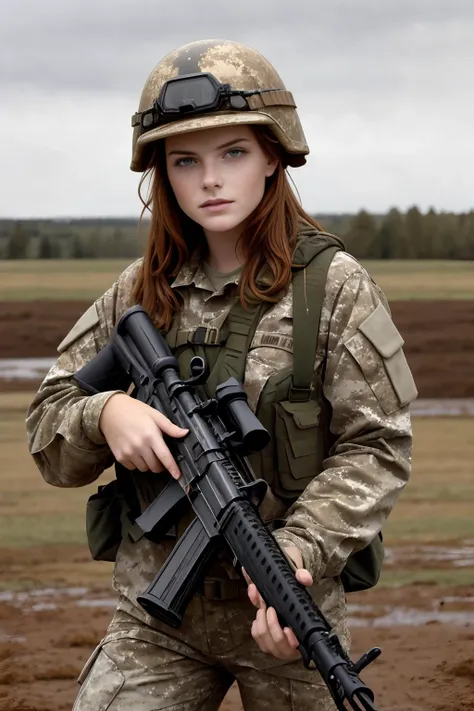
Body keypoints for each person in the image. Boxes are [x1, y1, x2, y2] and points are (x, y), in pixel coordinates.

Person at [26, 39, 417, 711]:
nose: (210, 179)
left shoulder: (336, 290)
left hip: (286, 612)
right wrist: (105, 414)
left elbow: (378, 446)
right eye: (185, 161)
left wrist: (297, 553)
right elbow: (49, 431)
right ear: (164, 175)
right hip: (157, 620)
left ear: (273, 155)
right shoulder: (140, 293)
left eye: (233, 153)